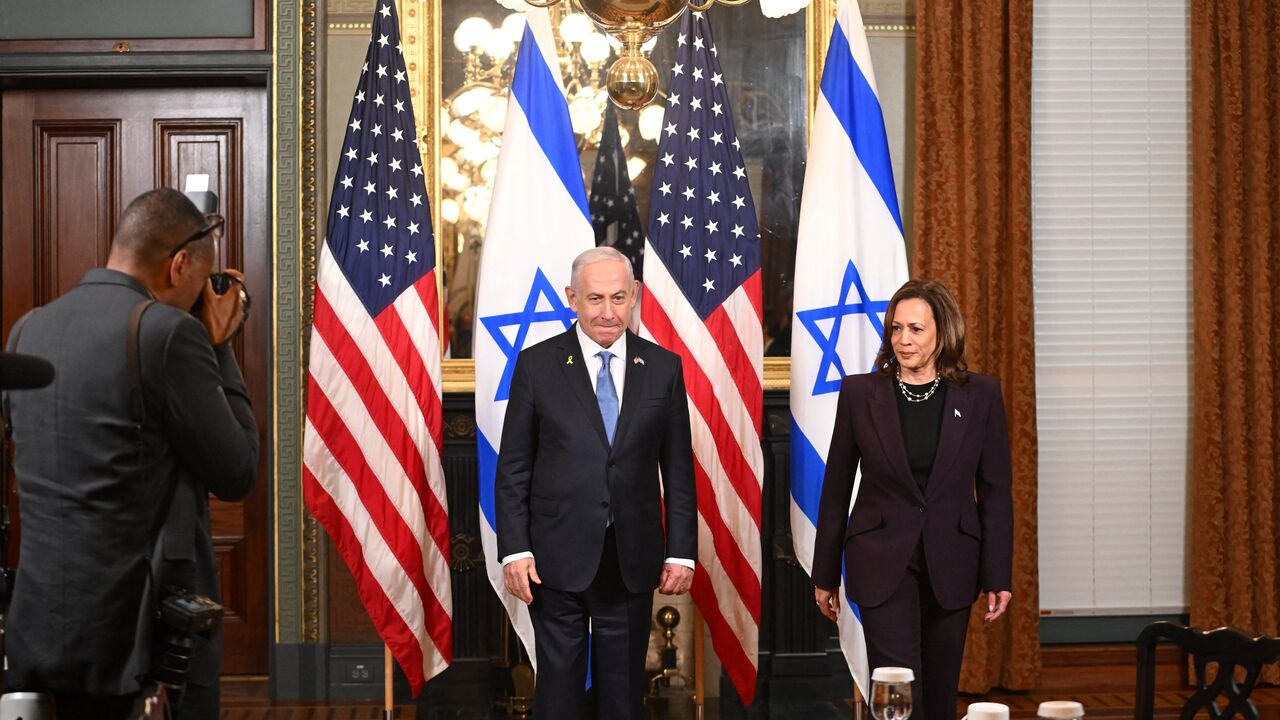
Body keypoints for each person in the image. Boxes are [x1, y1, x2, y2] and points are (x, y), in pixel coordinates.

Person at [2, 188, 259, 720]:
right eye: (194, 282)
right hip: (142, 643)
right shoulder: (167, 334)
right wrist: (219, 343)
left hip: (42, 630)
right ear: (181, 263)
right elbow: (236, 471)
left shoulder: (27, 330)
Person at [495, 246, 697, 720]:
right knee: (559, 693)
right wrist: (515, 550)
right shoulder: (536, 366)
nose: (608, 312)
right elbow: (514, 468)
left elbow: (679, 470)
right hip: (553, 558)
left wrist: (681, 550)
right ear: (572, 298)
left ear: (635, 298)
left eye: (619, 298)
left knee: (623, 695)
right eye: (595, 299)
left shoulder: (663, 368)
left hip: (631, 556)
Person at [811, 280, 1013, 720]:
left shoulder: (980, 395)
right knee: (899, 688)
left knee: (940, 695)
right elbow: (836, 486)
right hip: (881, 560)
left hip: (954, 560)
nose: (903, 340)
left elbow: (996, 492)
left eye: (916, 329)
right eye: (896, 328)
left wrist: (998, 575)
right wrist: (824, 573)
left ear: (943, 333)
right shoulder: (861, 394)